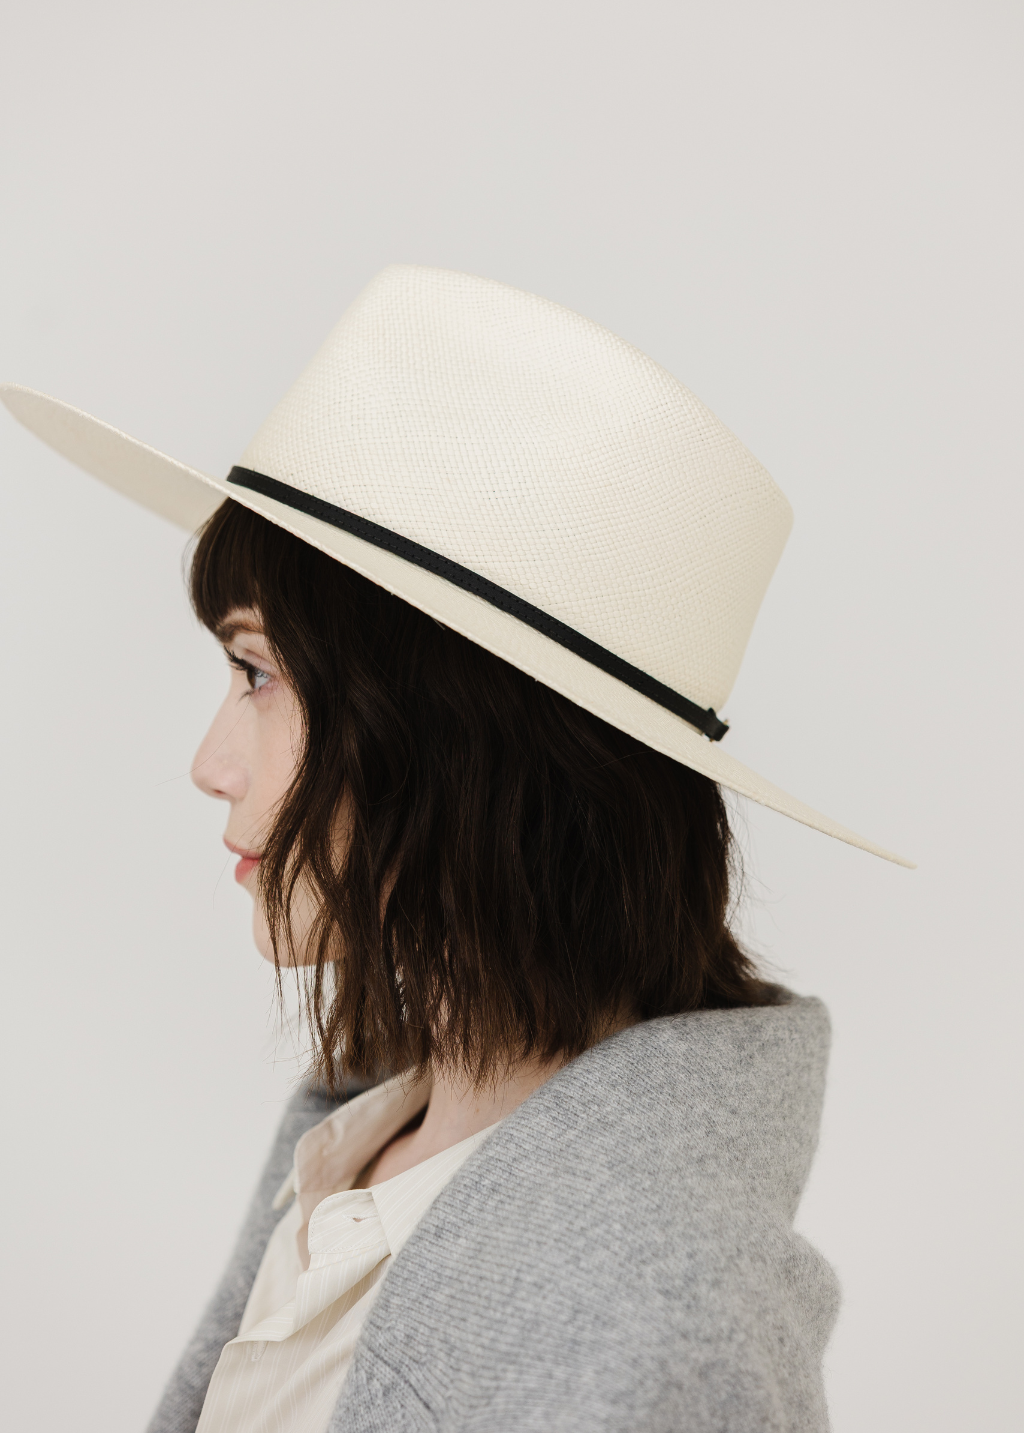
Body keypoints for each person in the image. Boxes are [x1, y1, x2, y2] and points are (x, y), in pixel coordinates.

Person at [0, 265, 909, 1433]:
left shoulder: (659, 1326)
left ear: (448, 739)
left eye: (256, 671)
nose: (210, 762)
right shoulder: (367, 1138)